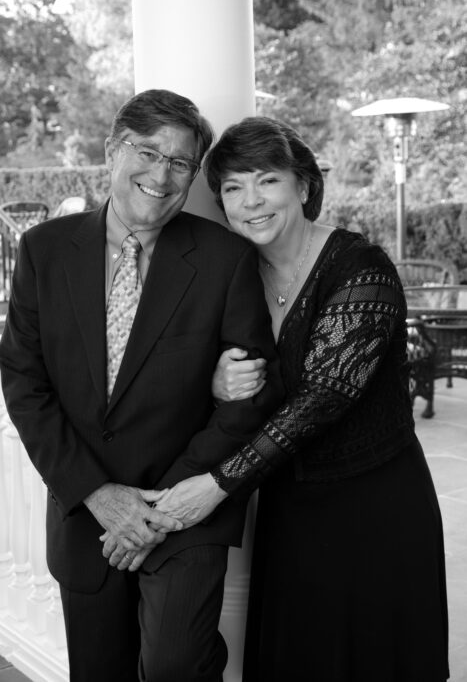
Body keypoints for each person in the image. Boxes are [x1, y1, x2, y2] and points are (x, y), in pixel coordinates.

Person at [141, 116, 450, 681]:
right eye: (233, 187)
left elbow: (322, 398)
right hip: (291, 509)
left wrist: (218, 484)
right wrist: (214, 381)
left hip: (376, 505)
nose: (251, 201)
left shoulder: (361, 268)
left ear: (303, 186)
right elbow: (177, 369)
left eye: (267, 181)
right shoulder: (232, 277)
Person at [0, 93, 283, 682]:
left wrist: (161, 510)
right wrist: (98, 495)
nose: (161, 174)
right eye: (147, 152)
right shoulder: (44, 251)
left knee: (176, 665)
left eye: (180, 163)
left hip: (187, 507)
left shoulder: (226, 258)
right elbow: (25, 382)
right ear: (112, 150)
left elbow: (250, 395)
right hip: (86, 515)